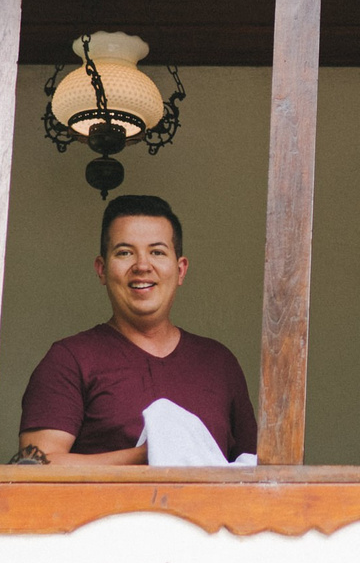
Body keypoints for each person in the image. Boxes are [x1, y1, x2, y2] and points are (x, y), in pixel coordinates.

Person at [13, 195, 257, 466]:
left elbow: (257, 473)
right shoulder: (69, 360)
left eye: (157, 252)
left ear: (180, 270)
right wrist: (149, 455)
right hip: (104, 510)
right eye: (125, 252)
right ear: (102, 270)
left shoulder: (218, 363)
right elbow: (34, 469)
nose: (142, 266)